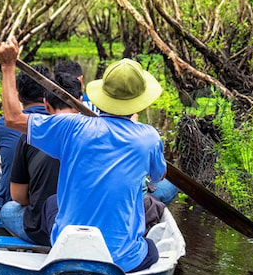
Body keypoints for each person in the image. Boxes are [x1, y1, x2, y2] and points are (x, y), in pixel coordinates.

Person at [0, 36, 167, 273]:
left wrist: (7, 66)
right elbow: (158, 176)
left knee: (51, 203)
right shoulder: (149, 138)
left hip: (67, 251)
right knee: (150, 245)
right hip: (121, 260)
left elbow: (13, 118)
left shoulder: (71, 126)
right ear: (138, 104)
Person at [55, 58, 178, 206]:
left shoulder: (74, 127)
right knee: (167, 187)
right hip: (125, 206)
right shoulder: (149, 136)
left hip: (81, 199)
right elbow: (157, 175)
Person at [0, 72, 83, 245]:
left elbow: (19, 196)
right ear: (80, 100)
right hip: (89, 225)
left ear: (45, 104)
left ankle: (32, 247)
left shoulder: (30, 136)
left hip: (43, 230)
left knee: (8, 209)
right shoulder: (98, 133)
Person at [0, 63, 50, 214]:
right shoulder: (60, 124)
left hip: (14, 203)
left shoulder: (3, 124)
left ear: (19, 97)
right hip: (46, 204)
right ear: (48, 97)